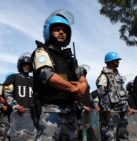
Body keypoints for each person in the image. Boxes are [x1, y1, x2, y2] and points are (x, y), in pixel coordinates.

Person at [31, 9, 88, 141]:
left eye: (64, 30)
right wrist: (75, 88)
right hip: (51, 111)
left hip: (71, 111)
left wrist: (82, 86)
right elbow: (48, 75)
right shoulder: (41, 51)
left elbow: (81, 77)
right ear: (48, 31)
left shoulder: (70, 59)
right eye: (57, 29)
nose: (61, 32)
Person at [96, 51, 129, 141]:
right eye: (116, 60)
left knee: (124, 135)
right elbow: (102, 93)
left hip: (122, 110)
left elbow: (123, 92)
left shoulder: (118, 76)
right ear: (110, 61)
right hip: (111, 111)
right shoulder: (103, 76)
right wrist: (106, 109)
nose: (118, 62)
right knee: (110, 136)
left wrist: (127, 107)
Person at [2, 53, 34, 140]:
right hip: (17, 115)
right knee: (15, 136)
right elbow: (6, 92)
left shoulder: (34, 80)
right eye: (24, 64)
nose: (26, 66)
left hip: (30, 116)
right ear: (20, 65)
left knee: (30, 136)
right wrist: (15, 105)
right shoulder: (13, 77)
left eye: (28, 65)